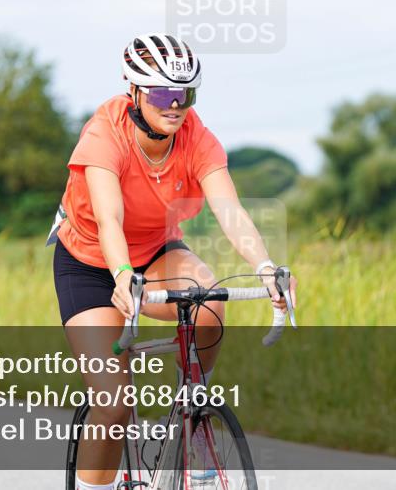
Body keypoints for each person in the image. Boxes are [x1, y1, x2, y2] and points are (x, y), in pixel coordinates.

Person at [51, 33, 297, 490]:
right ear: (135, 91)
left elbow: (230, 210)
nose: (176, 105)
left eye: (186, 94)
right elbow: (109, 219)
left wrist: (266, 266)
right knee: (113, 405)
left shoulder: (195, 136)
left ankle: (195, 414)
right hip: (90, 263)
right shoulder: (104, 134)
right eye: (164, 93)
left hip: (156, 251)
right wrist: (122, 276)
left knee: (207, 298)